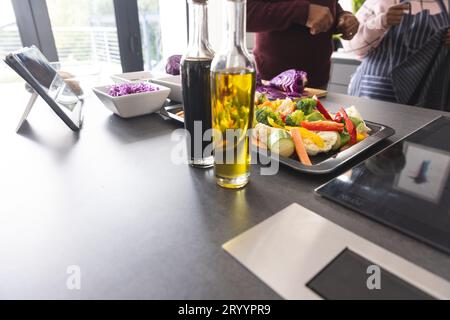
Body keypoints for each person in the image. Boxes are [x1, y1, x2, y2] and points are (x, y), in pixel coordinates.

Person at [344, 0, 450, 110]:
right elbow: (352, 46)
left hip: (426, 94)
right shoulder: (380, 2)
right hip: (378, 93)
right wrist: (381, 21)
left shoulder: (446, 4)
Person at [247, 0, 359, 89]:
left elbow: (327, 6)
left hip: (319, 82)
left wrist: (341, 17)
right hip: (272, 83)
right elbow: (246, 12)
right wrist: (303, 12)